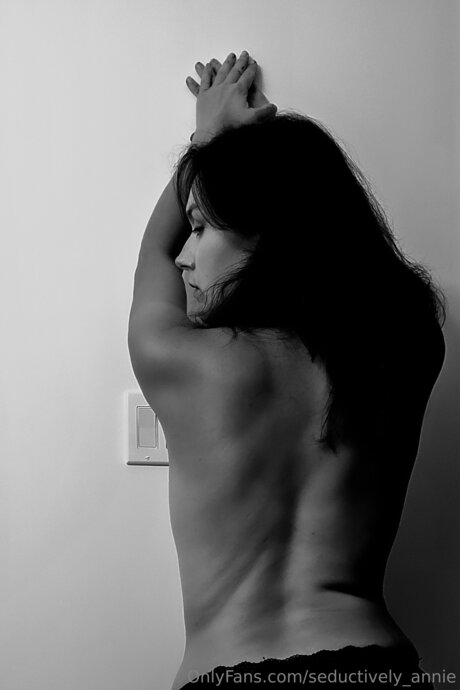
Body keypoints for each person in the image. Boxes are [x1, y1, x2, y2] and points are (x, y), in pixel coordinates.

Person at [128, 51, 446, 689]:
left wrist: (208, 143)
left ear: (264, 234)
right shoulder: (403, 348)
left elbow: (152, 257)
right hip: (377, 669)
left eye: (201, 228)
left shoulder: (181, 363)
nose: (186, 255)